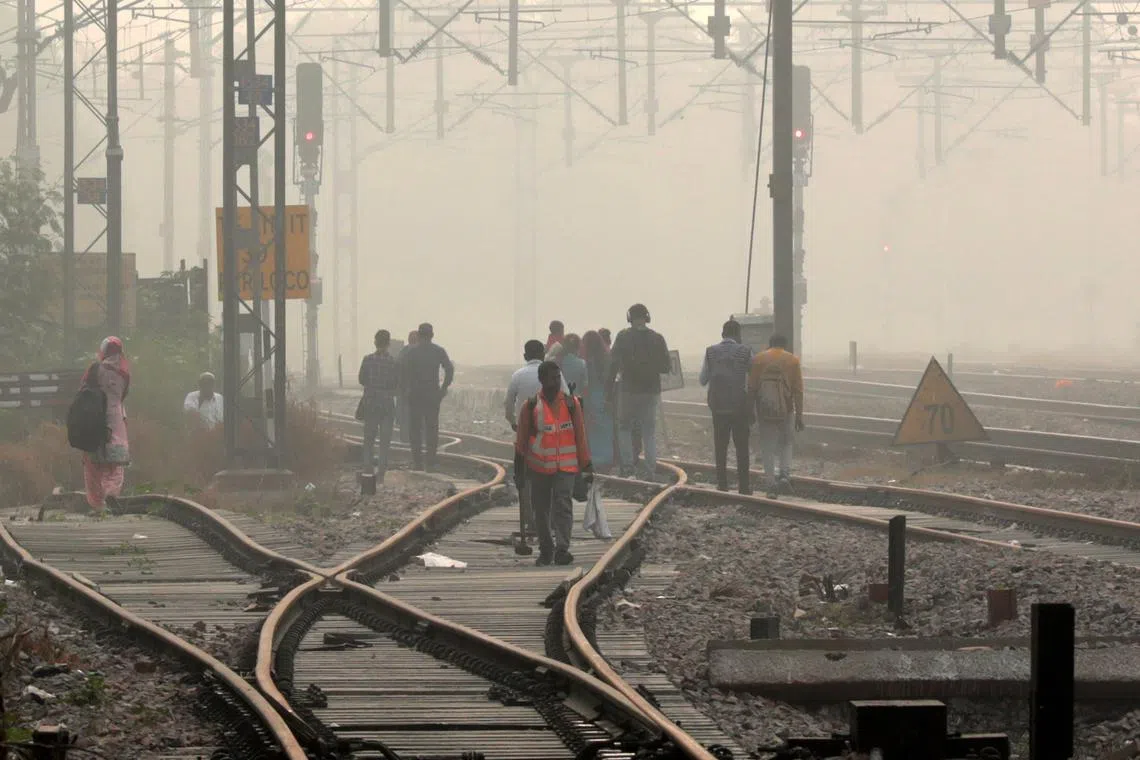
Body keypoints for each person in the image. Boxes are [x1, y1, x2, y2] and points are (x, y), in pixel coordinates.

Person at [515, 361, 593, 566]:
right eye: (552, 378)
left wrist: (586, 466)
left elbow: (580, 436)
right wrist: (519, 471)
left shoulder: (571, 404)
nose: (556, 382)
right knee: (540, 510)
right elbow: (521, 441)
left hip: (566, 467)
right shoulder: (530, 406)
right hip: (539, 467)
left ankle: (562, 549)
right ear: (542, 380)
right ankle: (546, 549)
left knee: (563, 506)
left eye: (558, 377)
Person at [505, 340, 570, 538]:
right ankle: (550, 518)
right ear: (543, 355)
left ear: (525, 356)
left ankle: (530, 519)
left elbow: (508, 403)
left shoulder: (517, 376)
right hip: (552, 433)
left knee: (525, 477)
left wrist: (513, 422)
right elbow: (567, 397)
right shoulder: (554, 373)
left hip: (526, 434)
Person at [607, 304, 671, 480]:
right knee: (649, 431)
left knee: (624, 427)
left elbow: (612, 365)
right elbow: (666, 366)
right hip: (651, 390)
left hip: (628, 389)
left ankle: (627, 468)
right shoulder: (658, 338)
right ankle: (650, 470)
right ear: (647, 317)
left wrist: (608, 391)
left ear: (630, 318)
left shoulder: (622, 337)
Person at [699, 320, 755, 494]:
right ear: (738, 335)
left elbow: (703, 379)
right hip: (739, 406)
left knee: (721, 446)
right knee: (742, 447)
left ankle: (722, 484)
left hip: (718, 406)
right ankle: (744, 487)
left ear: (722, 334)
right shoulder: (746, 351)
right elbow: (753, 376)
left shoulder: (710, 352)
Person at [748, 334, 805, 497]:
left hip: (764, 410)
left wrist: (750, 411)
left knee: (768, 446)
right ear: (784, 345)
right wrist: (799, 415)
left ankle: (771, 483)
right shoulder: (792, 360)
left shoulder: (758, 359)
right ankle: (785, 476)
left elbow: (751, 388)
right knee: (786, 443)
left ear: (770, 344)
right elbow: (798, 391)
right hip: (786, 409)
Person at [82, 337, 130, 515]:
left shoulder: (95, 369)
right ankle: (111, 492)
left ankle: (97, 504)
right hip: (117, 418)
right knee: (115, 462)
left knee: (92, 463)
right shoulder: (124, 372)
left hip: (95, 418)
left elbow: (83, 389)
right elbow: (123, 394)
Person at [400, 323, 454, 471]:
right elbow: (449, 369)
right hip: (432, 395)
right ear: (432, 335)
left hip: (415, 395)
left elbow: (402, 372)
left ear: (419, 334)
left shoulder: (411, 352)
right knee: (432, 428)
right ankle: (430, 461)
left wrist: (405, 390)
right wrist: (443, 389)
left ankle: (417, 462)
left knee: (415, 429)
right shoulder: (438, 351)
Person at [358, 329, 400, 480]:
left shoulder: (367, 360)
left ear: (375, 342)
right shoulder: (394, 362)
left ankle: (367, 468)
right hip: (387, 403)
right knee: (385, 438)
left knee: (369, 437)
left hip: (371, 401)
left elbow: (361, 379)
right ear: (388, 344)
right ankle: (381, 471)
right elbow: (396, 383)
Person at [581, 330, 614, 472]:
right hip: (605, 397)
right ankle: (607, 458)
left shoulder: (585, 361)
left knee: (592, 429)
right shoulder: (606, 359)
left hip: (591, 397)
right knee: (606, 428)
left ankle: (595, 459)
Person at [396, 331, 419, 444]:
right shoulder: (422, 352)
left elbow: (397, 371)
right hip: (417, 393)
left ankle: (405, 442)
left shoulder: (403, 352)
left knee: (404, 420)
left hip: (404, 392)